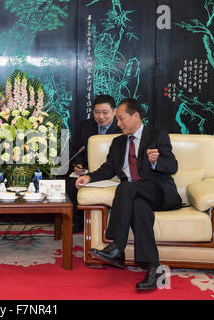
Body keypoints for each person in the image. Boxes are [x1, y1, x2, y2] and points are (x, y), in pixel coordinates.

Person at [76, 98, 181, 291]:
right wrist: (88, 178)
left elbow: (172, 166)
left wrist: (156, 161)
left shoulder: (157, 136)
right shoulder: (118, 143)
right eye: (117, 119)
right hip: (136, 196)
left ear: (136, 116)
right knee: (139, 207)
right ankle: (152, 267)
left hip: (159, 192)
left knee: (125, 188)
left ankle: (117, 246)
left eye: (121, 118)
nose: (118, 124)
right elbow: (108, 169)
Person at [67, 94, 121, 233]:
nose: (101, 117)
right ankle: (77, 222)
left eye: (105, 113)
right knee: (70, 182)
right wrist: (78, 165)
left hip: (113, 173)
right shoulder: (85, 126)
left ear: (114, 112)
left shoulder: (121, 128)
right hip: (87, 171)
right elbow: (77, 150)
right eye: (97, 113)